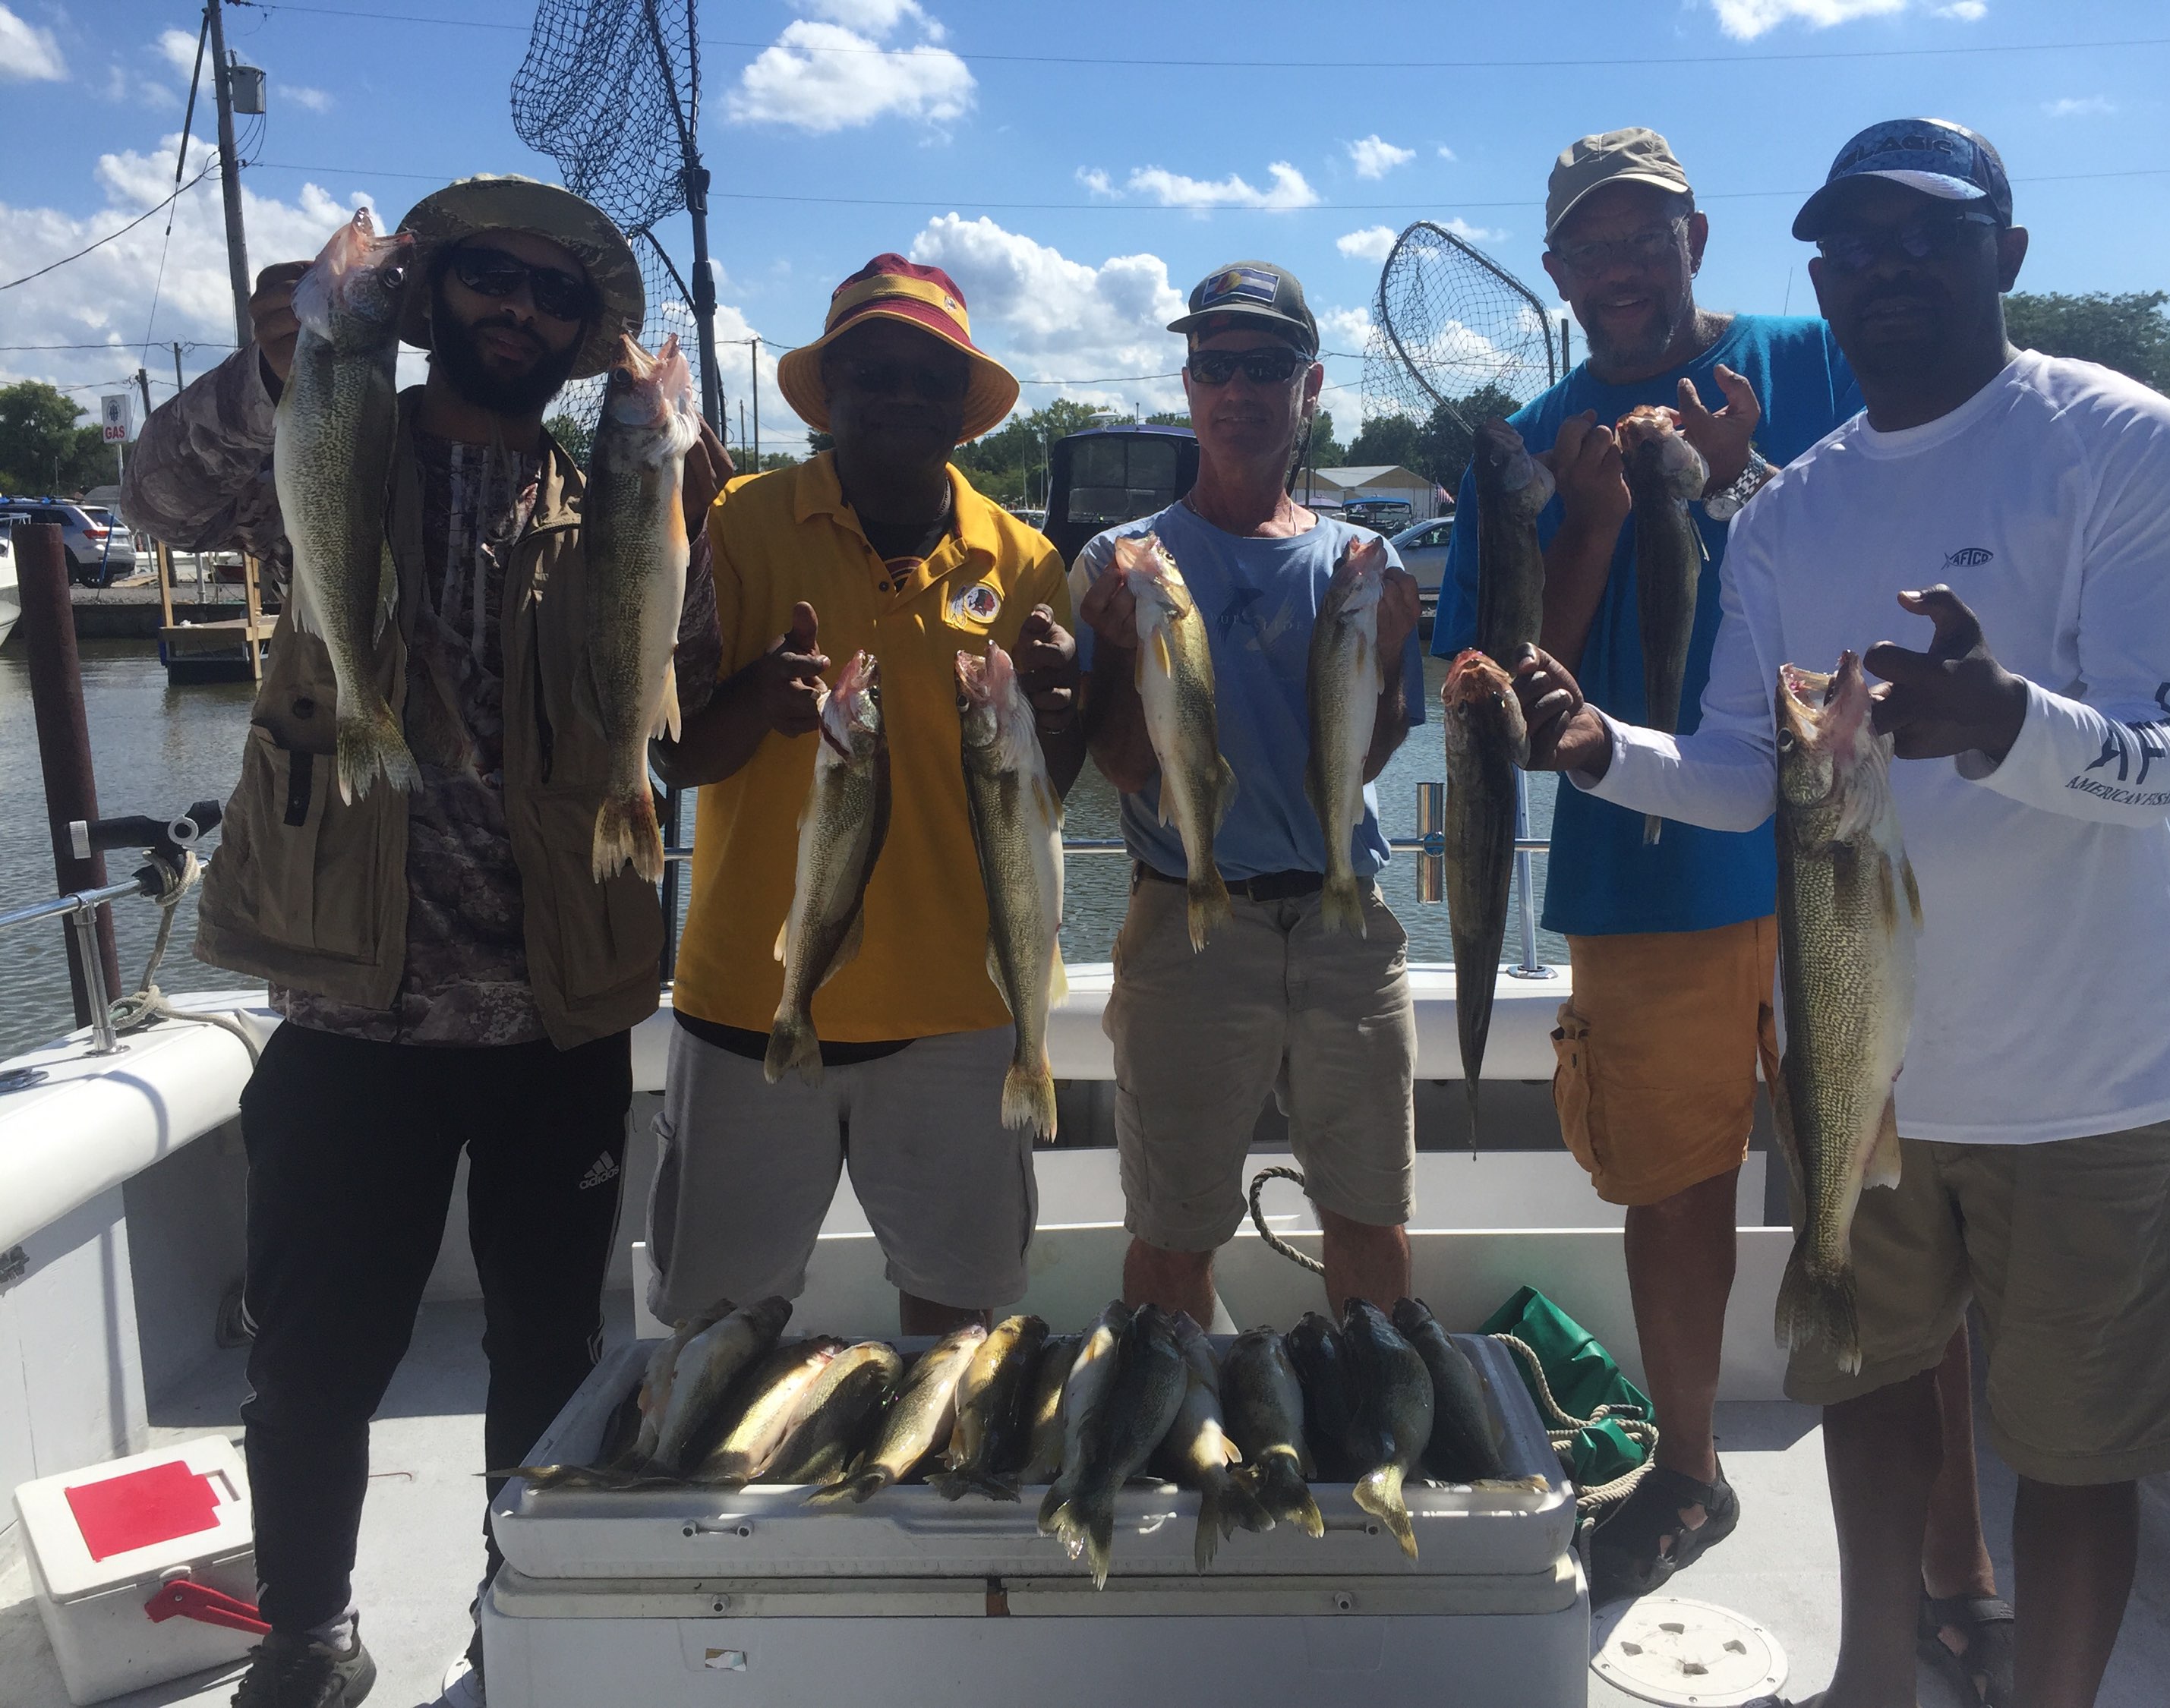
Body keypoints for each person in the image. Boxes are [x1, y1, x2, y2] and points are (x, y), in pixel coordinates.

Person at [1511, 118, 2170, 1708]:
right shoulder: (1785, 516)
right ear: (1818, 274)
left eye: (1931, 237)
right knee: (1872, 1387)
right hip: (1868, 1079)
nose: (1889, 269)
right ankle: (1872, 1684)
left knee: (2078, 1450)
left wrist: (2003, 718)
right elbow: (1740, 779)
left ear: (2008, 257)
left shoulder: (2120, 439)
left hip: (2086, 1077)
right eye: (1857, 244)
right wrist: (1600, 751)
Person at [123, 175, 732, 1708]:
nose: (515, 310)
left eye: (548, 295)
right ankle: (312, 1636)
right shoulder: (337, 444)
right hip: (351, 1011)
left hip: (561, 1015)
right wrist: (275, 369)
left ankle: (512, 1625)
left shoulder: (616, 496)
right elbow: (154, 505)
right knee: (313, 1363)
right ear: (434, 293)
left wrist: (692, 513)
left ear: (581, 337)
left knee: (545, 1351)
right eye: (488, 280)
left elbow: (688, 679)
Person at [1434, 125, 1863, 1599]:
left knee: (1889, 1186)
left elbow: (1913, 527)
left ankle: (1949, 1542)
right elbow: (1494, 678)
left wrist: (1746, 484)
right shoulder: (1538, 445)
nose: (1617, 267)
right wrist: (1605, 520)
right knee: (1673, 1189)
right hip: (1642, 862)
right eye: (1587, 246)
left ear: (1696, 233)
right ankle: (1690, 1468)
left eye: (1643, 234)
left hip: (1843, 845)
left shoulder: (1818, 358)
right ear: (1554, 269)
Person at [649, 255, 1080, 1338]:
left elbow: (1034, 810)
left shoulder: (1024, 561)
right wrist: (751, 699)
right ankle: (715, 1509)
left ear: (961, 408)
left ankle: (934, 1502)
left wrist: (1061, 719)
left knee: (956, 1325)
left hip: (960, 1013)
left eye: (927, 376)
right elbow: (672, 756)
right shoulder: (741, 528)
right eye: (871, 371)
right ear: (829, 394)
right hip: (752, 1003)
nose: (898, 394)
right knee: (720, 1319)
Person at [1072, 261, 1426, 1323]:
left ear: (1310, 388)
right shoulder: (1121, 559)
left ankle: (1370, 1439)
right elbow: (1130, 769)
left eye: (1265, 366)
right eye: (1215, 364)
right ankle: (1183, 1446)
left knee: (1370, 1212)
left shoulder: (1363, 559)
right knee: (1174, 1228)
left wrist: (1399, 672)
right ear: (1188, 386)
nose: (1239, 389)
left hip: (1343, 917)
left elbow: (1363, 762)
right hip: (1185, 916)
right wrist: (1118, 652)